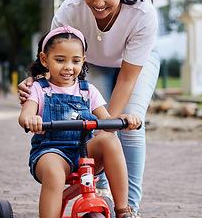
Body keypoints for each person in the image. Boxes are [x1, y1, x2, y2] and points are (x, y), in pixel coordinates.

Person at [18, 0, 160, 215]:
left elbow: (125, 82)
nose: (99, 2)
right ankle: (98, 189)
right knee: (95, 133)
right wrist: (34, 83)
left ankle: (127, 209)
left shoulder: (141, 12)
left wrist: (125, 120)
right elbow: (54, 54)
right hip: (88, 63)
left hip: (134, 63)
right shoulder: (71, 10)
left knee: (120, 134)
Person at [18, 26, 141, 218]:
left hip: (84, 151)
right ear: (44, 60)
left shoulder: (88, 90)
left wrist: (122, 119)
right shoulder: (38, 89)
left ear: (83, 61)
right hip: (51, 151)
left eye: (75, 61)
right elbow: (25, 115)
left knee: (110, 140)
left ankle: (123, 210)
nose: (68, 67)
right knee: (54, 171)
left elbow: (106, 119)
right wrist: (31, 119)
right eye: (60, 60)